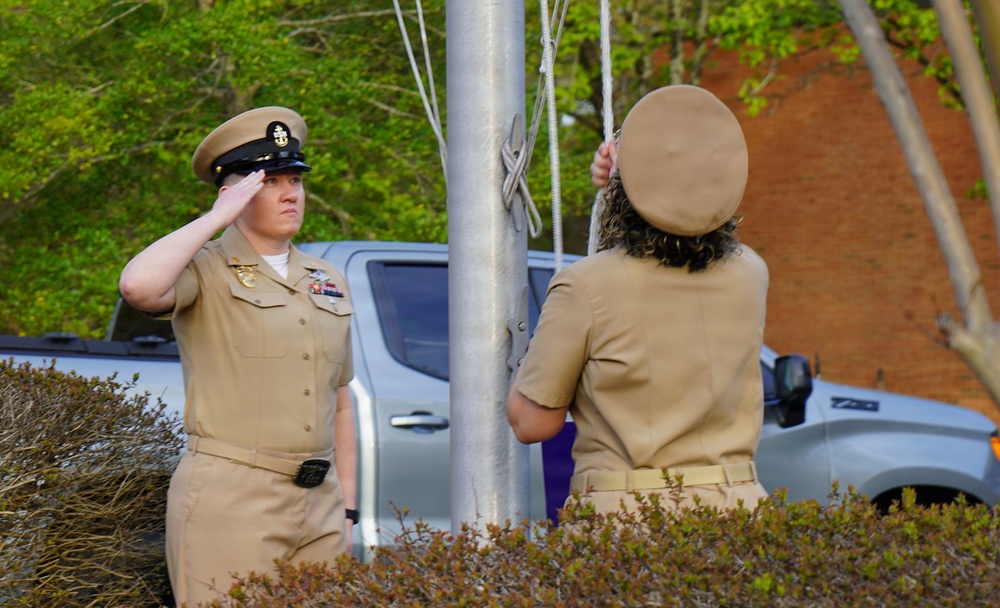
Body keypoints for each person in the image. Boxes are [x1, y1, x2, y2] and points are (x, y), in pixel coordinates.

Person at [119, 107, 358, 605]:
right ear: (234, 193)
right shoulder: (205, 268)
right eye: (270, 182)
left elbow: (340, 401)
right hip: (233, 496)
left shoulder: (326, 278)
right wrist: (214, 220)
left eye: (295, 180)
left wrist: (348, 510)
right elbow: (139, 286)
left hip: (321, 500)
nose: (291, 194)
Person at [507, 85, 769, 517]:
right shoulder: (752, 274)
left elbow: (532, 423)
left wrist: (621, 186)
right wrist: (629, 180)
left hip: (630, 521)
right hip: (738, 512)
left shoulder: (585, 286)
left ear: (624, 192)